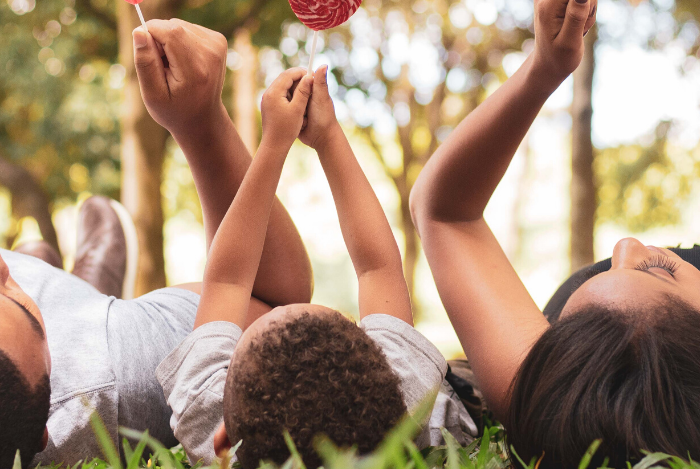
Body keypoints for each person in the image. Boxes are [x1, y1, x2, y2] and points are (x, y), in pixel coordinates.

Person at [0, 20, 314, 468]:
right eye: (24, 306)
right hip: (99, 330)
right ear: (48, 433)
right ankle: (78, 286)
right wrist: (201, 123)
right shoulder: (105, 374)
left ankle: (53, 274)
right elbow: (271, 298)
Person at [410, 0, 700, 468]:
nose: (626, 246)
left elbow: (444, 212)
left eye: (568, 323)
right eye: (659, 271)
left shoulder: (555, 391)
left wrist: (543, 70)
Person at [156, 64, 477, 469]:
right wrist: (327, 136)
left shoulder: (214, 428)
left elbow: (228, 279)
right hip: (469, 389)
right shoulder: (411, 398)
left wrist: (274, 144)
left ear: (223, 443)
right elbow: (376, 269)